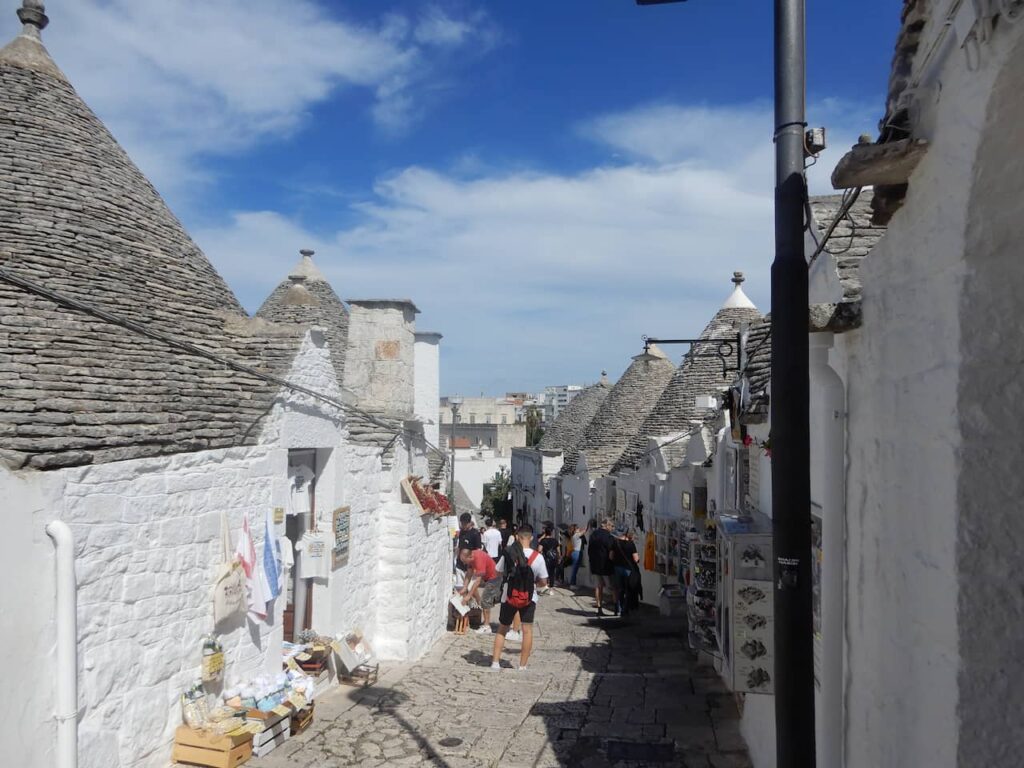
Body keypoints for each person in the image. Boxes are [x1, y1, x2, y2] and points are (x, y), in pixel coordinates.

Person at [491, 524, 548, 671]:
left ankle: (495, 662)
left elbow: (497, 572)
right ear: (531, 537)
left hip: (509, 595)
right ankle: (522, 666)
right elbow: (543, 582)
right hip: (529, 597)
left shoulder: (509, 553)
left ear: (518, 536)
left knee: (503, 628)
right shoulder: (538, 557)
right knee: (527, 630)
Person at [458, 546, 502, 634]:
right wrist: (464, 587)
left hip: (494, 578)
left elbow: (478, 581)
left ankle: (487, 626)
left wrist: (468, 596)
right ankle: (486, 623)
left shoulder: (479, 559)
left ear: (470, 557)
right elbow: (469, 574)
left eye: (464, 561)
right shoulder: (471, 557)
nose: (463, 563)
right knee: (487, 600)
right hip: (489, 578)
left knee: (485, 601)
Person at [588, 518, 618, 617]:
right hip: (606, 566)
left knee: (598, 586)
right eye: (612, 526)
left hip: (595, 565)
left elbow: (589, 551)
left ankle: (599, 608)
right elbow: (611, 555)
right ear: (607, 525)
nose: (612, 528)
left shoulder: (593, 535)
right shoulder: (609, 537)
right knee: (613, 587)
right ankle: (616, 609)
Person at [611, 526, 641, 618]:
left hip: (617, 568)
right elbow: (636, 559)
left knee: (620, 588)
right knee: (628, 589)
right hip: (628, 569)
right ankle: (625, 609)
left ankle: (618, 608)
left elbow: (611, 556)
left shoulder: (615, 542)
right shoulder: (631, 544)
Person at [538, 524, 560, 592]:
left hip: (546, 558)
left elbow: (539, 550)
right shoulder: (555, 540)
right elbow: (558, 551)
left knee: (545, 572)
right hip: (554, 558)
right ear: (551, 533)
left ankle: (545, 585)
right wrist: (559, 558)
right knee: (552, 573)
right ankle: (551, 588)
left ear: (545, 532)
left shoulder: (543, 541)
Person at [568, 523, 585, 587]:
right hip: (577, 553)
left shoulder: (573, 535)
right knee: (575, 569)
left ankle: (573, 583)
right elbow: (584, 531)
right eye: (577, 528)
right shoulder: (577, 535)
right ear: (575, 530)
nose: (579, 529)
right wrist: (588, 525)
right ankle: (572, 584)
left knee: (574, 569)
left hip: (575, 552)